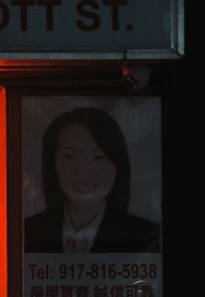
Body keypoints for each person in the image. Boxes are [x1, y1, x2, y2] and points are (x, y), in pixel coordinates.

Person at [24, 106, 160, 254]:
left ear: (117, 165)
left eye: (98, 157)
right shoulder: (27, 233)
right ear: (52, 164)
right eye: (69, 156)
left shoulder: (145, 237)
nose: (84, 172)